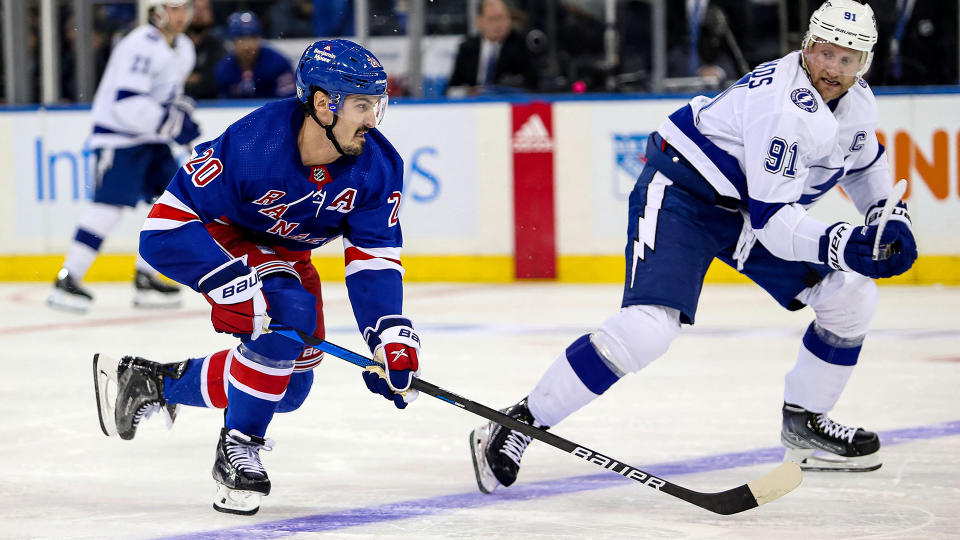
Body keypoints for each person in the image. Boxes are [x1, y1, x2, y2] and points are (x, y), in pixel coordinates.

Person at [469, 0, 919, 494]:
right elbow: (774, 223)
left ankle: (805, 423)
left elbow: (864, 165)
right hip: (686, 193)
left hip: (744, 209)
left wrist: (885, 215)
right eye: (825, 52)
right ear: (806, 45)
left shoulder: (858, 104)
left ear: (865, 65)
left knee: (850, 297)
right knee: (646, 331)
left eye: (847, 59)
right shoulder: (784, 107)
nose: (832, 68)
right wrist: (845, 243)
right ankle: (518, 422)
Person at [92, 39, 422, 516]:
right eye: (362, 105)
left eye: (377, 104)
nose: (373, 119)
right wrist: (227, 282)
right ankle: (239, 448)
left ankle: (150, 383)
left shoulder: (379, 166)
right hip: (225, 237)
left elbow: (373, 259)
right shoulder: (251, 143)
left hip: (288, 254)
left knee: (287, 391)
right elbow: (162, 228)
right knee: (290, 310)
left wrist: (388, 332)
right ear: (322, 104)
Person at [48, 0, 199, 312]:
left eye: (185, 7)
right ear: (157, 10)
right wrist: (171, 124)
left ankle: (145, 276)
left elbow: (170, 97)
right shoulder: (140, 45)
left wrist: (179, 120)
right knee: (107, 209)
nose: (181, 15)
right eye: (174, 7)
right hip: (120, 137)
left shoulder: (184, 47)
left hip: (152, 139)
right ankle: (68, 278)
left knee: (174, 203)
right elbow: (127, 104)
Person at [446, 0, 539, 96]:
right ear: (480, 22)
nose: (498, 24)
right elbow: (450, 90)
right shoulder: (467, 48)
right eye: (492, 19)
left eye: (502, 18)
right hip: (472, 106)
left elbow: (533, 85)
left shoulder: (520, 46)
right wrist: (467, 91)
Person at [215, 11, 296, 99]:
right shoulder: (224, 67)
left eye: (252, 38)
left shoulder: (278, 63)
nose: (248, 45)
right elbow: (222, 105)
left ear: (259, 39)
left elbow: (288, 101)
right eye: (242, 39)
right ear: (233, 41)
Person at [183, 0, 226, 100]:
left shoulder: (217, 47)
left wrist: (185, 79)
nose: (199, 13)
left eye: (204, 9)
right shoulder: (175, 44)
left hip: (210, 107)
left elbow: (212, 85)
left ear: (212, 14)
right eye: (195, 8)